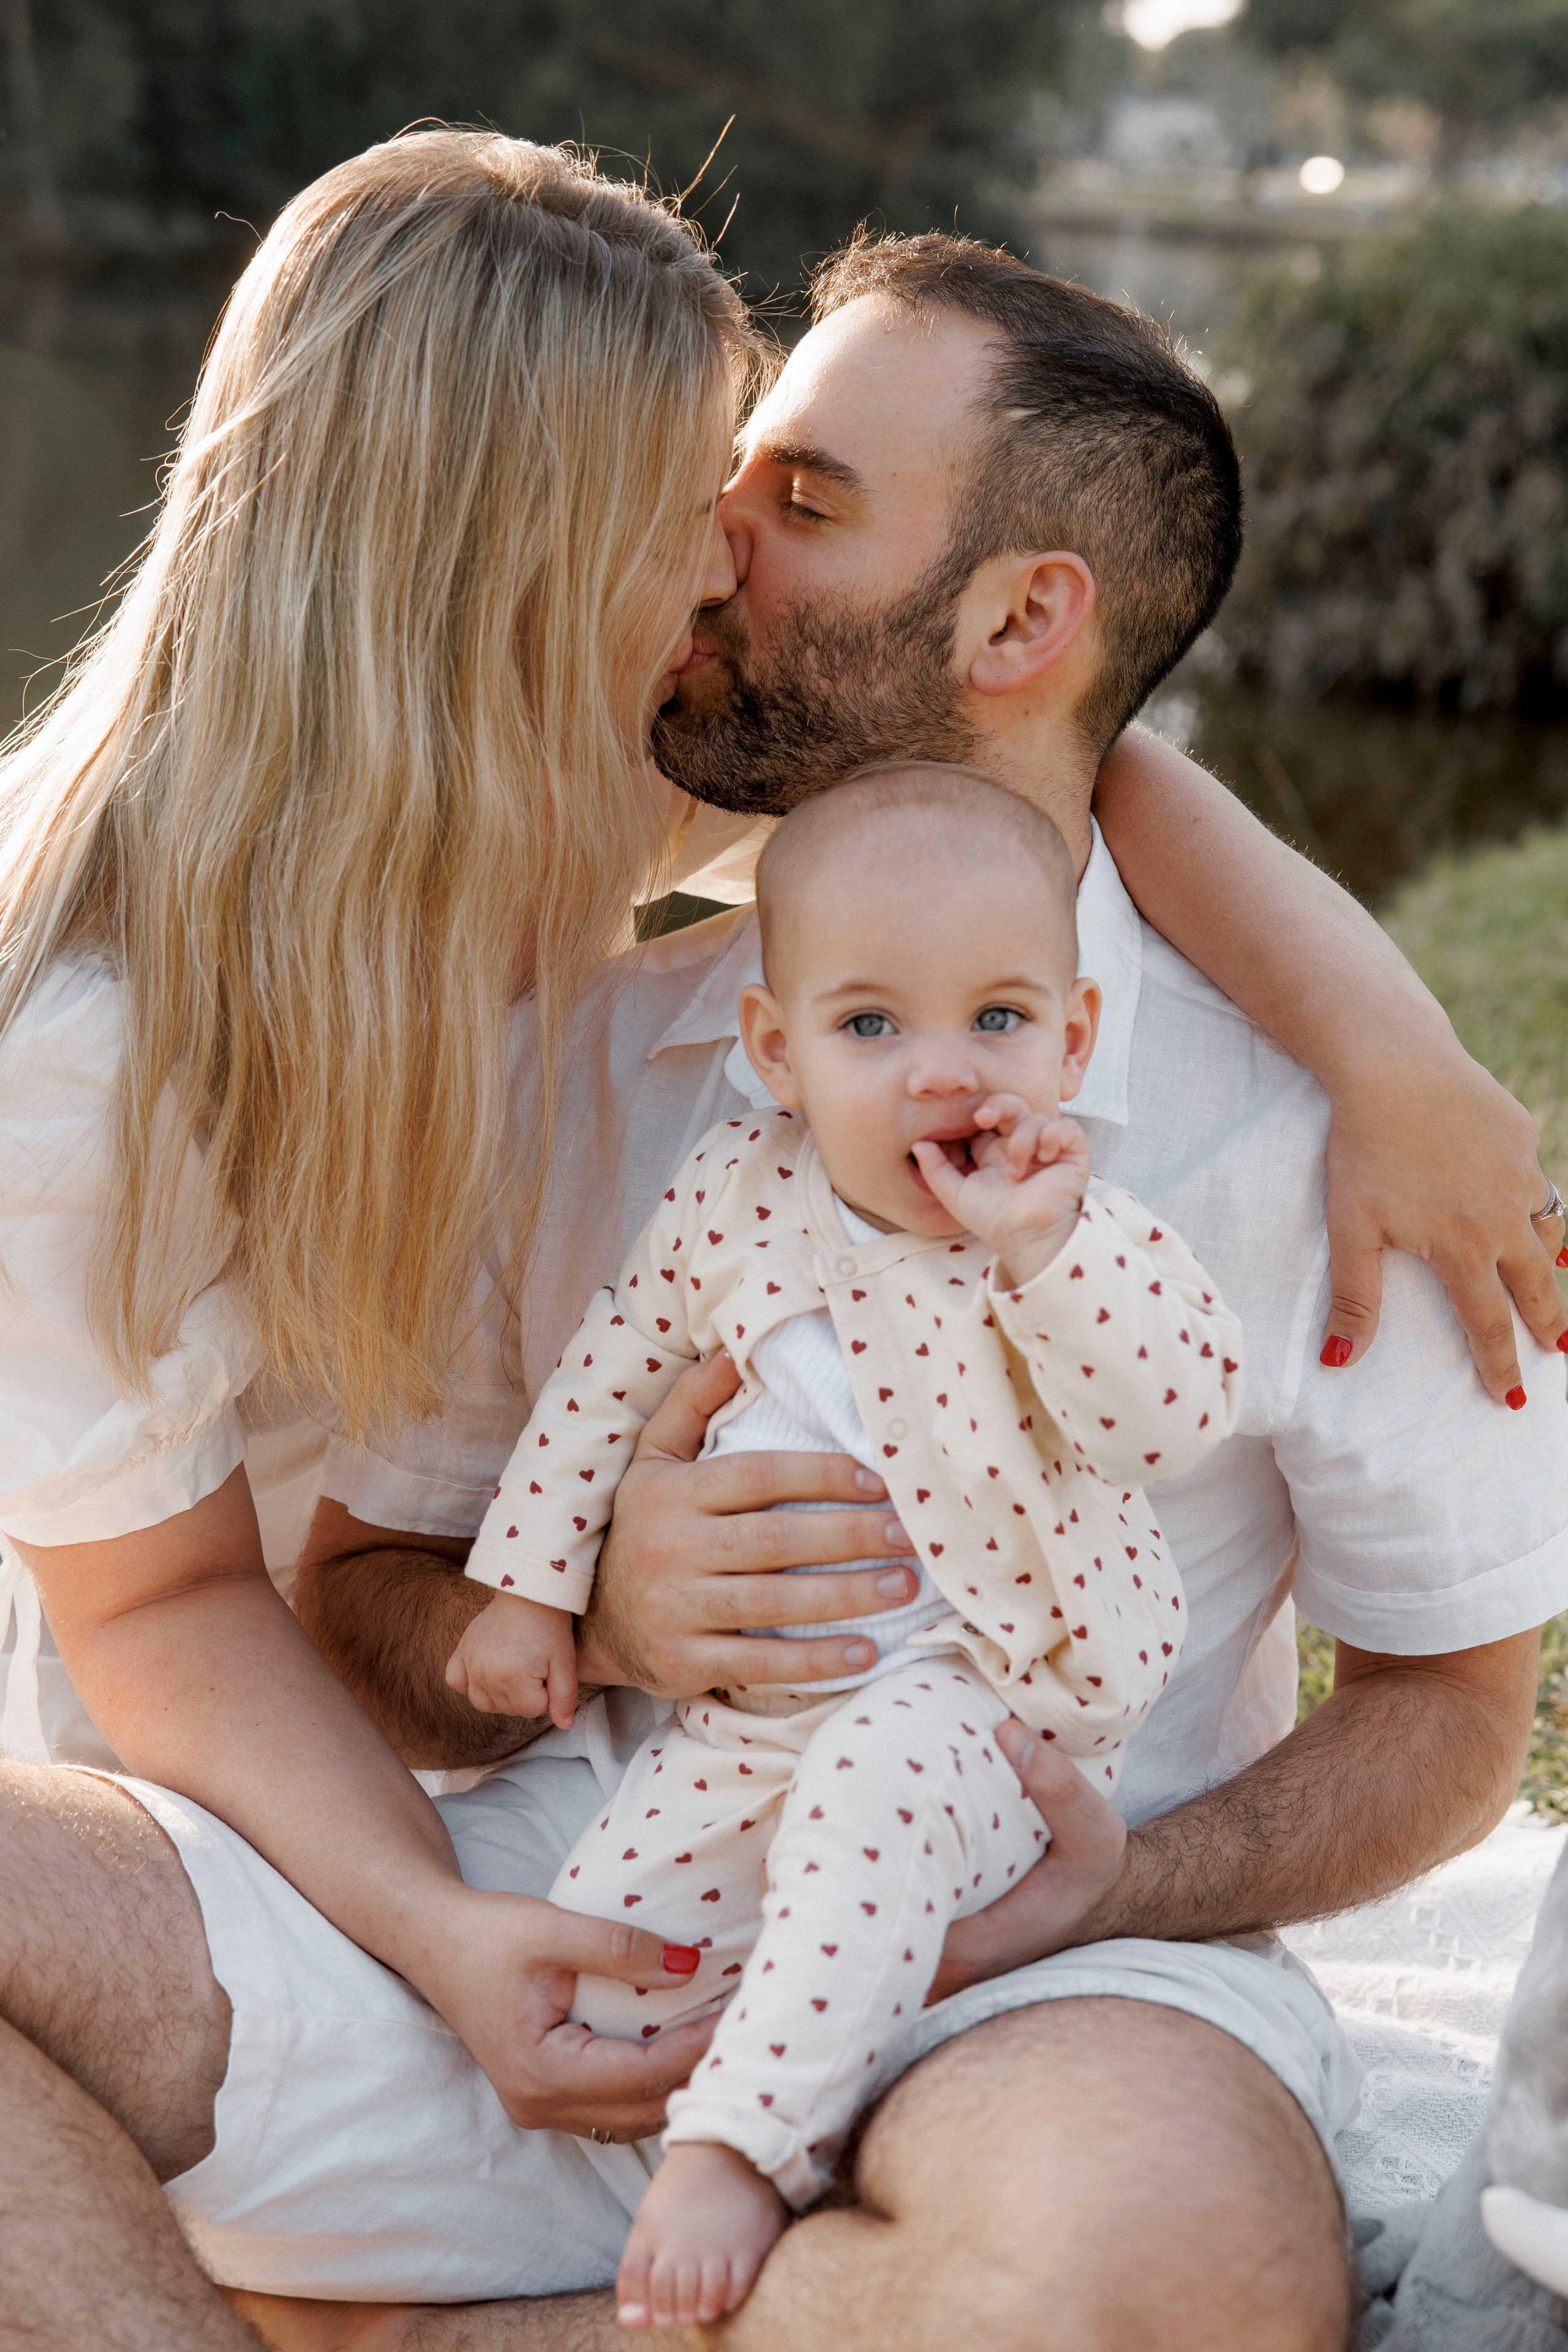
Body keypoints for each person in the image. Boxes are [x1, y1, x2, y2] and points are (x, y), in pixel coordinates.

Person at [0, 140, 1559, 2349]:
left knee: (1172, 2278)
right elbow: (337, 1593)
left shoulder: (1329, 1136)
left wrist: (1086, 1895)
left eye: (799, 502)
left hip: (1037, 1956)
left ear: (1020, 623)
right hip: (554, 1875)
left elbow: (1458, 1714)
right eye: (709, 499)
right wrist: (588, 1622)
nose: (717, 555)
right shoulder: (591, 988)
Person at [453, 766, 1244, 2328]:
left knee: (880, 1794)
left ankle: (747, 2153)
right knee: (610, 1970)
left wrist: (1045, 1254)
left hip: (988, 1696)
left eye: (997, 1021)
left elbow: (1175, 1422)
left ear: (1073, 1039)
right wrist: (528, 1585)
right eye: (870, 1028)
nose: (942, 1077)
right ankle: (810, 2070)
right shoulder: (733, 1199)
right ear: (778, 1054)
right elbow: (612, 1371)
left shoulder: (1079, 1229)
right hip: (753, 1714)